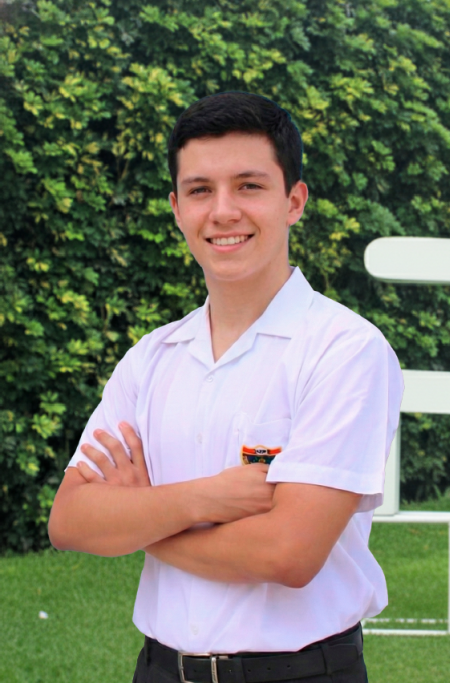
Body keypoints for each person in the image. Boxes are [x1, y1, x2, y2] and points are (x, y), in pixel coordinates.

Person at [47, 91, 403, 683]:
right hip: (160, 670)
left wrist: (143, 521)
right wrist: (206, 498)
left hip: (300, 674)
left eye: (249, 186)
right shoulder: (152, 357)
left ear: (294, 201)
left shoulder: (344, 350)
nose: (223, 211)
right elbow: (70, 520)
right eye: (200, 190)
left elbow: (288, 554)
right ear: (176, 208)